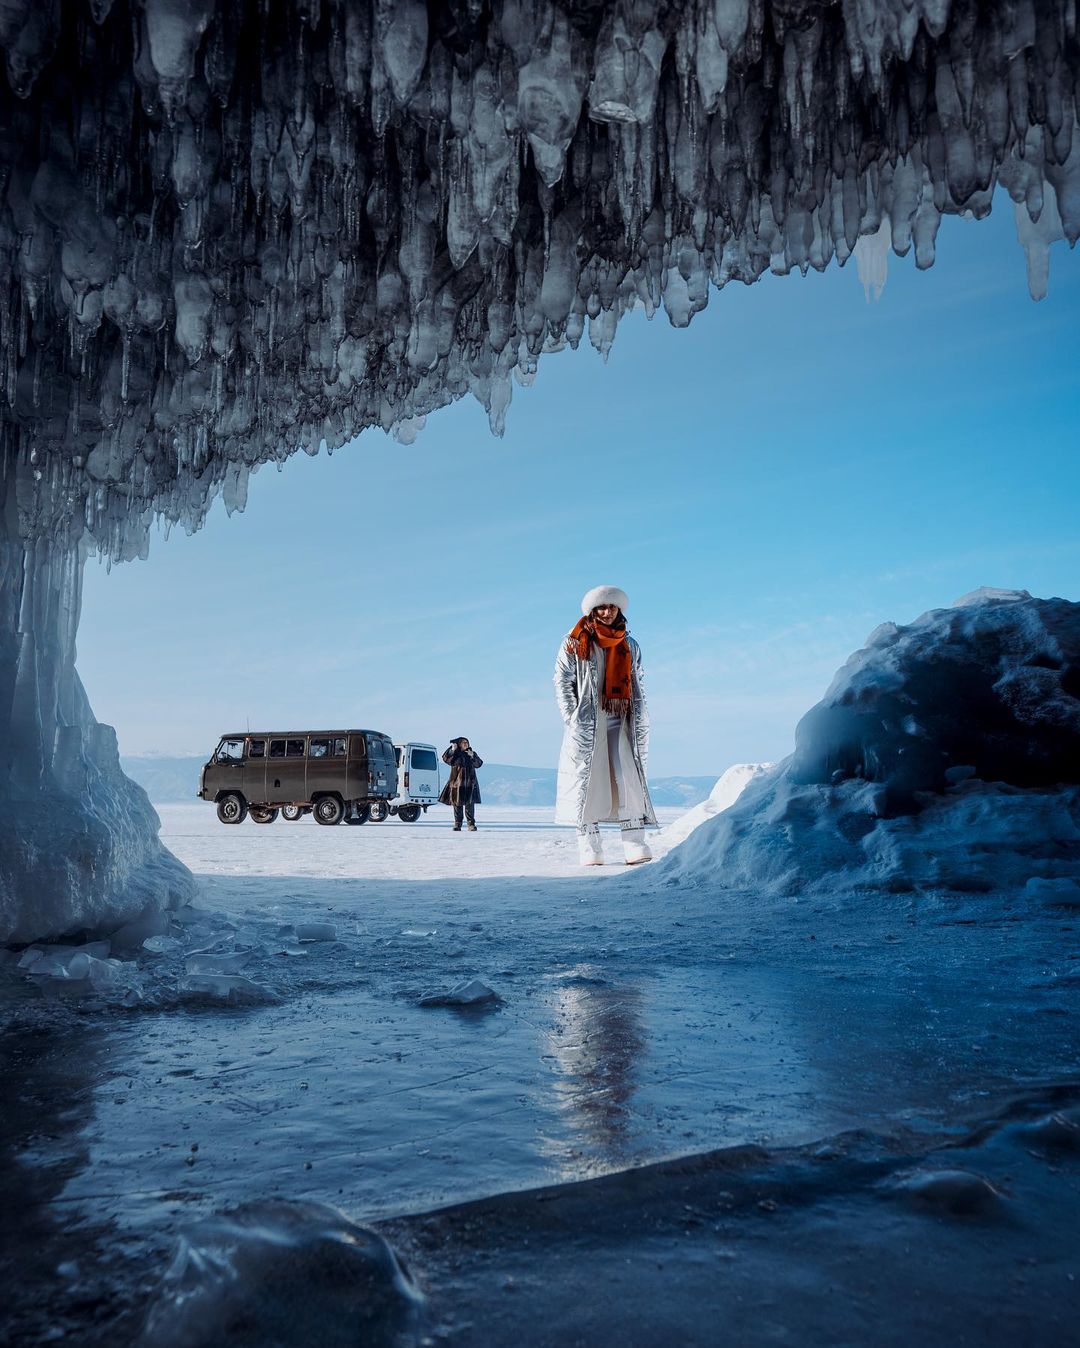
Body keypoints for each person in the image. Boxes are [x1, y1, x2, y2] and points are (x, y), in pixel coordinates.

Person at [554, 585, 656, 866]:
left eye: (612, 607)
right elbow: (563, 680)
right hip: (587, 720)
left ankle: (634, 842)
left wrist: (641, 714)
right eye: (602, 607)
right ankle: (589, 846)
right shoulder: (574, 642)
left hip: (620, 718)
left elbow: (639, 682)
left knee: (628, 777)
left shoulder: (629, 644)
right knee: (588, 780)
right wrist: (571, 716)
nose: (607, 612)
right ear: (592, 611)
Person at [440, 737, 483, 831]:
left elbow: (478, 764)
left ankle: (471, 824)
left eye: (467, 742)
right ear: (459, 744)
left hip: (469, 784)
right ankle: (457, 824)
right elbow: (446, 759)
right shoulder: (455, 754)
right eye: (463, 742)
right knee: (457, 805)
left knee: (469, 805)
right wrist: (452, 750)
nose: (466, 744)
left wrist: (473, 756)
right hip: (457, 783)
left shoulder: (471, 753)